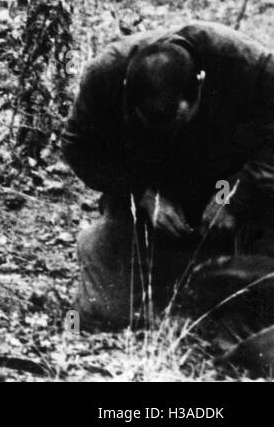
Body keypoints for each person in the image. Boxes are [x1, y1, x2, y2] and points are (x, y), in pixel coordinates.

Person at [61, 21, 274, 331]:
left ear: (200, 87)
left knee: (261, 300)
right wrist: (143, 194)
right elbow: (78, 148)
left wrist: (231, 195)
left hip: (234, 196)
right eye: (155, 126)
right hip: (149, 203)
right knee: (106, 312)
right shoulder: (104, 76)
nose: (171, 135)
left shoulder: (245, 66)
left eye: (179, 122)